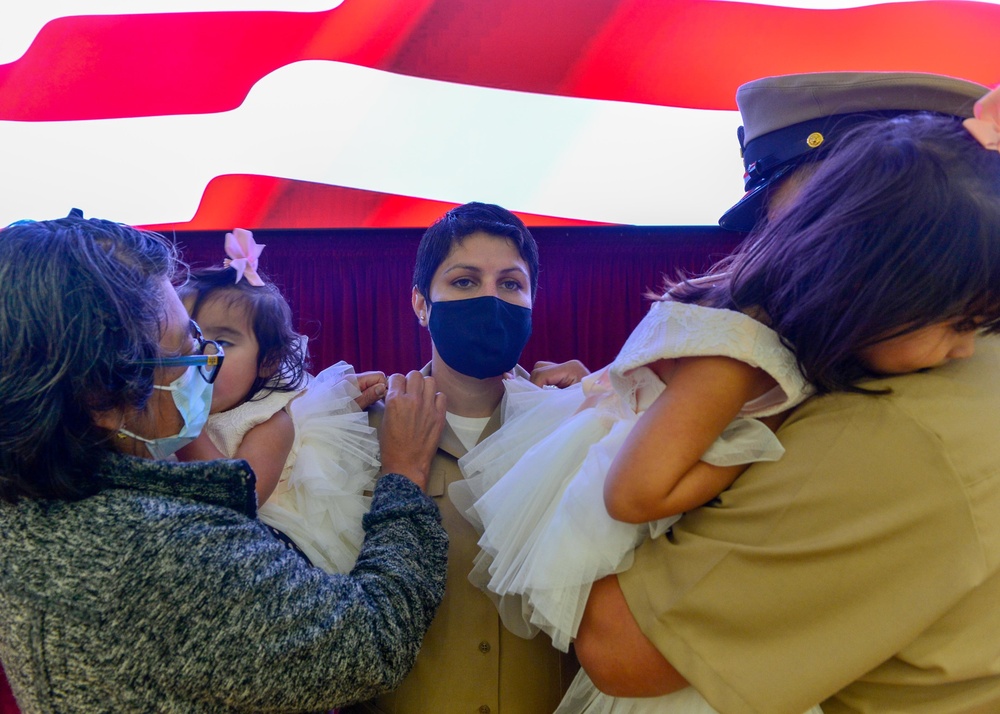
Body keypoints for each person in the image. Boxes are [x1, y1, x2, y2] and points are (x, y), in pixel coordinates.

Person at [573, 87, 1000, 712]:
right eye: (958, 324)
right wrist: (750, 455)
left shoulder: (894, 417)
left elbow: (623, 649)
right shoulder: (742, 356)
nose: (965, 347)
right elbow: (633, 492)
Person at [0, 214, 448, 712]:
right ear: (101, 398)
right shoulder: (161, 552)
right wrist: (403, 473)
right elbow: (373, 639)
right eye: (188, 348)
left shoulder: (24, 505)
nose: (205, 364)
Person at [351, 202, 587, 714]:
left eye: (510, 284)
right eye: (464, 282)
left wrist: (604, 412)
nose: (489, 299)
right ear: (420, 303)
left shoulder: (576, 427)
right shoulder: (362, 433)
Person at [176, 228, 386, 574]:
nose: (200, 354)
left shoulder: (269, 420)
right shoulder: (161, 401)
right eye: (187, 336)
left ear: (268, 362)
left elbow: (238, 497)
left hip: (261, 548)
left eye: (223, 343)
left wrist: (188, 425)